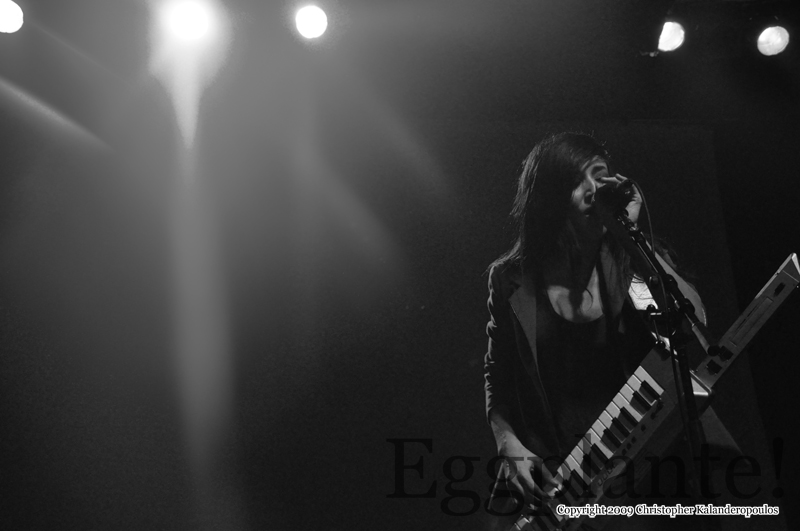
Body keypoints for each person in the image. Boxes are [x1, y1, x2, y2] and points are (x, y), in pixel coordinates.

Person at [483, 132, 727, 530]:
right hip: (569, 478)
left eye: (601, 176)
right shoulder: (512, 279)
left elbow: (693, 327)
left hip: (651, 465)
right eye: (579, 180)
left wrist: (630, 236)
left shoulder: (631, 259)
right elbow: (498, 373)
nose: (594, 191)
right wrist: (507, 442)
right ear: (550, 197)